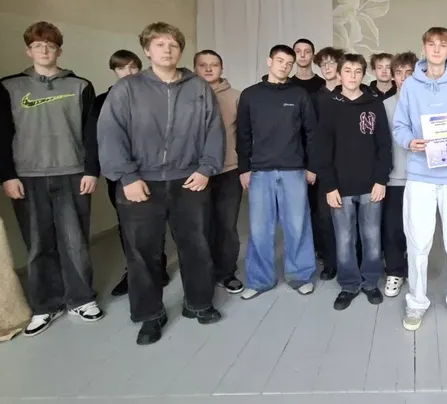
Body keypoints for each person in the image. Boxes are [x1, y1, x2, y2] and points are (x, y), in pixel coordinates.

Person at [98, 22, 225, 345]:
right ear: (146, 50)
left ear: (180, 50)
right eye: (159, 44)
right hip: (141, 183)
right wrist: (127, 177)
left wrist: (206, 168)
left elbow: (214, 130)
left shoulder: (199, 88)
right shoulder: (127, 89)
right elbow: (111, 133)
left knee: (196, 245)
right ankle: (149, 315)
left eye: (173, 45)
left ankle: (199, 303)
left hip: (190, 180)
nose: (167, 50)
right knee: (143, 253)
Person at [0, 21, 103, 337]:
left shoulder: (80, 86)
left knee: (75, 241)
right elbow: (1, 134)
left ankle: (81, 299)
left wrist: (91, 170)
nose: (44, 50)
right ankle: (45, 305)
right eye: (38, 45)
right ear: (28, 51)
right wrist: (7, 176)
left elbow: (91, 133)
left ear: (59, 50)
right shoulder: (10, 86)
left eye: (50, 45)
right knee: (38, 244)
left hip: (73, 174)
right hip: (28, 178)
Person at [392, 27, 447, 331]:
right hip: (420, 177)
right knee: (418, 243)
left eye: (442, 45)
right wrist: (409, 141)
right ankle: (416, 301)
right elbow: (399, 126)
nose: (437, 49)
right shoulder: (410, 87)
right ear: (424, 48)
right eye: (432, 44)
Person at [238, 44, 318, 300]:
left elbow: (311, 133)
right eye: (280, 61)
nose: (284, 66)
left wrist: (312, 166)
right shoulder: (250, 95)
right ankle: (259, 280)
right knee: (260, 228)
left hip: (294, 169)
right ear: (269, 61)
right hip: (260, 171)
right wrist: (244, 168)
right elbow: (243, 134)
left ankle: (300, 276)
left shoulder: (299, 94)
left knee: (297, 225)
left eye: (289, 63)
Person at [313, 53, 392, 310]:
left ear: (363, 74)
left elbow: (384, 145)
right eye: (348, 71)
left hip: (371, 186)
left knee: (371, 237)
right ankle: (349, 285)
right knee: (345, 239)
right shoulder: (329, 105)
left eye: (358, 71)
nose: (352, 76)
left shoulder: (374, 104)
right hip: (340, 187)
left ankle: (370, 282)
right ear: (339, 74)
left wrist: (381, 180)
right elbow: (322, 149)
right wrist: (329, 185)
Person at [96, 50, 170, 298]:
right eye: (121, 68)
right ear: (114, 71)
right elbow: (98, 139)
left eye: (132, 67)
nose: (128, 72)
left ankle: (158, 266)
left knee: (156, 223)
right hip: (121, 176)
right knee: (128, 226)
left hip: (153, 171)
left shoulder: (156, 97)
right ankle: (134, 272)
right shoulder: (102, 100)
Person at [193, 50, 245, 294]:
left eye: (214, 65)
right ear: (195, 68)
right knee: (199, 227)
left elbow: (245, 135)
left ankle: (226, 273)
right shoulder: (186, 95)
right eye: (203, 65)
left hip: (228, 171)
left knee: (226, 226)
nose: (208, 69)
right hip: (194, 173)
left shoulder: (236, 97)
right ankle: (203, 273)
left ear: (221, 69)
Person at [382, 51, 416, 297]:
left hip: (421, 179)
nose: (403, 77)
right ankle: (395, 271)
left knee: (417, 231)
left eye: (409, 73)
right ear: (393, 77)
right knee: (393, 228)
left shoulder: (426, 104)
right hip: (394, 178)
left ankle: (415, 270)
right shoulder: (384, 105)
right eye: (399, 73)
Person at [309, 46, 343, 280]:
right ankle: (330, 262)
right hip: (323, 165)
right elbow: (311, 135)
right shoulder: (314, 97)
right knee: (325, 216)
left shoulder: (351, 92)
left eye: (332, 62)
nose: (328, 67)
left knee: (351, 215)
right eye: (323, 64)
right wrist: (312, 166)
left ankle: (353, 260)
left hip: (350, 163)